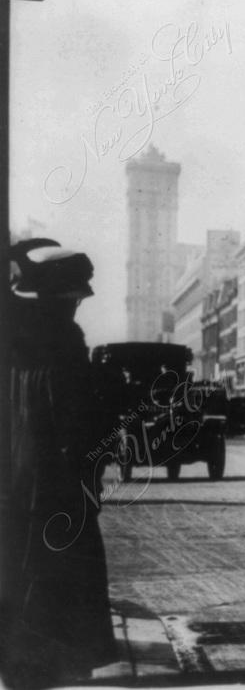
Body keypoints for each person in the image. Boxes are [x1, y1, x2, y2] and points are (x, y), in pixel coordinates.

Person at [1, 239, 118, 687]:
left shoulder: (15, 345)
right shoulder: (65, 347)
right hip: (59, 493)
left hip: (18, 487)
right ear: (60, 301)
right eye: (72, 299)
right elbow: (78, 431)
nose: (75, 308)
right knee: (61, 593)